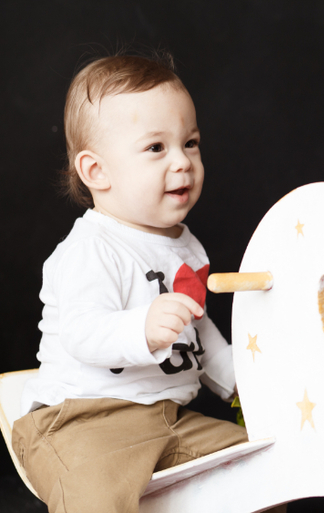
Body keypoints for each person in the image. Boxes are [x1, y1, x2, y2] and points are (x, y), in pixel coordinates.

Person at [12, 54, 261, 513]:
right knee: (93, 492)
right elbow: (81, 333)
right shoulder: (92, 249)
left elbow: (199, 332)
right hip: (83, 420)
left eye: (190, 143)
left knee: (256, 465)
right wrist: (141, 328)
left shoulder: (185, 246)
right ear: (97, 172)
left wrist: (240, 383)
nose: (183, 162)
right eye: (156, 148)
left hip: (171, 419)